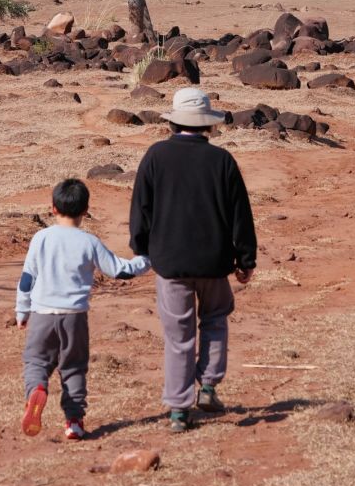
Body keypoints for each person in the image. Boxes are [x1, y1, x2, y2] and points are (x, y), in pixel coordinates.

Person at [129, 86, 257, 433]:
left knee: (178, 336)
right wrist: (246, 259)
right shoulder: (223, 161)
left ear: (173, 122)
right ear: (207, 125)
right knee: (215, 318)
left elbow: (141, 208)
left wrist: (141, 248)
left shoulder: (155, 157)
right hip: (215, 262)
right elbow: (240, 215)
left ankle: (178, 409)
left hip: (170, 263)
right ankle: (210, 387)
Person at [16, 177, 150, 440]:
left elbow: (27, 278)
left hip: (42, 314)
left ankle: (37, 389)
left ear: (53, 208)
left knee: (36, 361)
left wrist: (22, 311)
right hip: (74, 317)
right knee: (74, 367)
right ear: (85, 210)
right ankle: (74, 421)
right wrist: (146, 261)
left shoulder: (40, 238)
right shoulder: (89, 242)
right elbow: (118, 270)